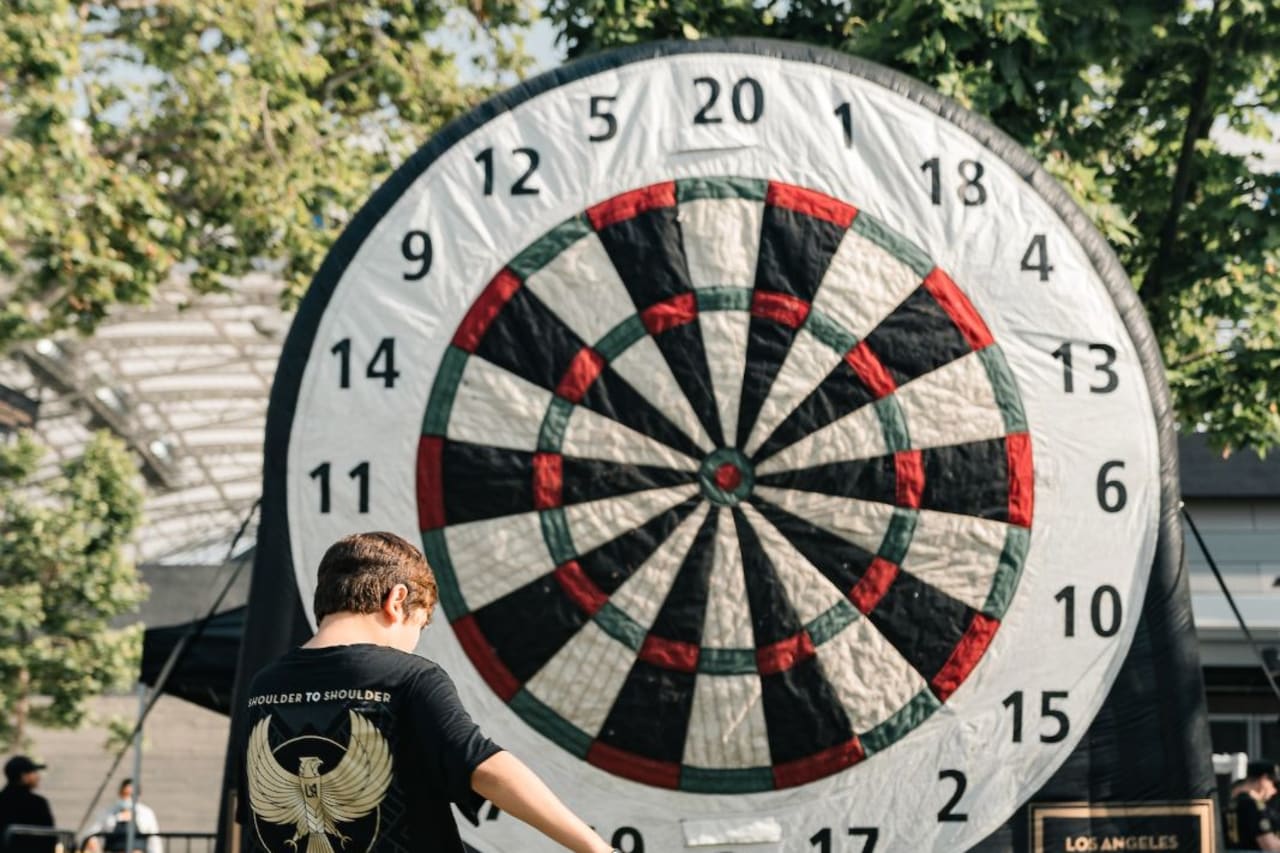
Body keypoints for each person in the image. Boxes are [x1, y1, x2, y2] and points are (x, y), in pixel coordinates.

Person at [236, 531, 616, 853]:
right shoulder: (408, 677)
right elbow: (484, 768)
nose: (413, 643)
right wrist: (595, 847)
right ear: (397, 600)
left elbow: (253, 812)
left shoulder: (264, 686)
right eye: (419, 625)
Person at [82, 779, 162, 853]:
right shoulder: (108, 813)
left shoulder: (146, 813)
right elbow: (89, 834)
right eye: (125, 794)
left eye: (131, 795)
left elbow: (154, 841)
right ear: (120, 793)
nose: (127, 798)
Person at [0, 756, 55, 853]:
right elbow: (50, 837)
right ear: (24, 776)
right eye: (34, 772)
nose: (38, 777)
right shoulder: (38, 803)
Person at [1225, 760, 1280, 851]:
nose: (1275, 791)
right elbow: (1269, 846)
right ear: (1264, 779)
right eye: (1274, 784)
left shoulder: (1232, 802)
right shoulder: (1253, 805)